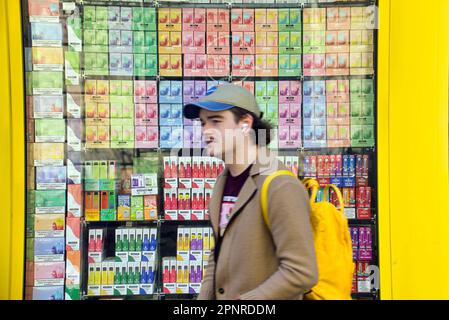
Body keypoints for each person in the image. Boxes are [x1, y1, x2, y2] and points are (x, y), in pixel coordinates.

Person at [183, 84, 318, 300]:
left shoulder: (280, 184)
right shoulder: (222, 182)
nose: (206, 130)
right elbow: (218, 254)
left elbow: (302, 272)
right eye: (203, 122)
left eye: (216, 121)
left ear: (245, 124)